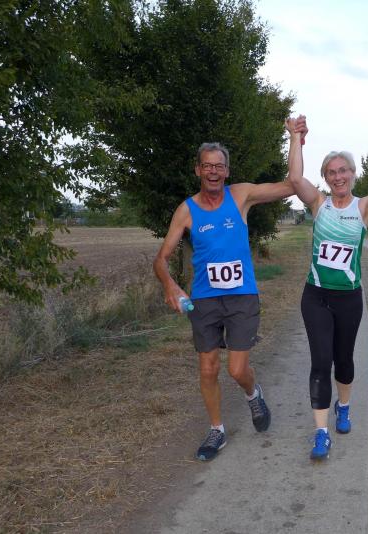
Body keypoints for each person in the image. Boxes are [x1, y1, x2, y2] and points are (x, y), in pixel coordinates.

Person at [153, 123, 306, 461]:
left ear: (227, 171)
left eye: (219, 166)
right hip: (204, 299)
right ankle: (217, 430)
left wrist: (295, 140)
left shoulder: (241, 196)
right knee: (208, 368)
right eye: (207, 166)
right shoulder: (186, 210)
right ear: (198, 170)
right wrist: (169, 284)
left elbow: (292, 184)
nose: (213, 171)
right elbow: (161, 259)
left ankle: (253, 394)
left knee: (237, 370)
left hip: (241, 296)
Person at [284, 116, 368, 460]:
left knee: (343, 359)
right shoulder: (318, 204)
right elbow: (295, 179)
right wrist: (295, 137)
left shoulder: (362, 207)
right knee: (321, 362)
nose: (338, 177)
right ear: (326, 178)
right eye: (331, 172)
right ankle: (321, 433)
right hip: (316, 296)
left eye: (343, 171)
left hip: (349, 298)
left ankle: (344, 406)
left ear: (352, 174)